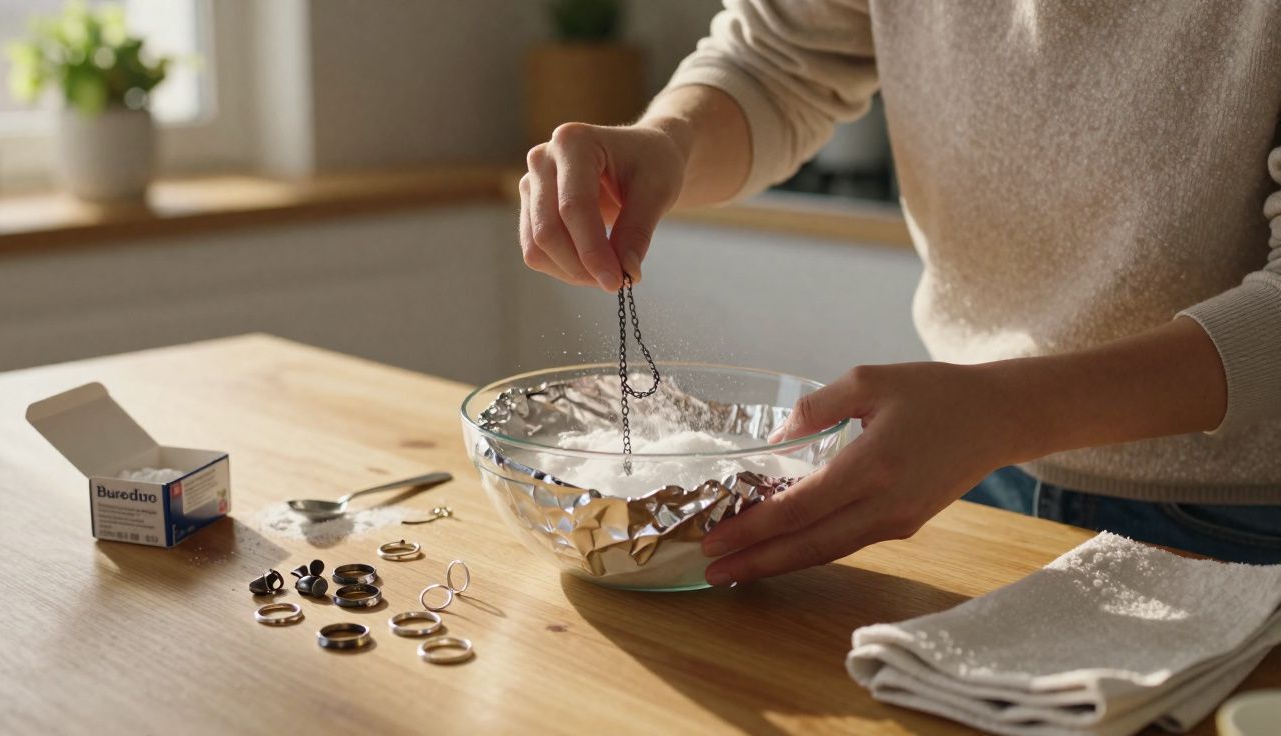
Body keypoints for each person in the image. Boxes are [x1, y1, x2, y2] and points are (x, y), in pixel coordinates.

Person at [516, 1, 1281, 580]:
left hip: (1239, 518)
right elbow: (778, 61)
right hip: (976, 477)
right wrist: (669, 138)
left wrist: (1006, 412)